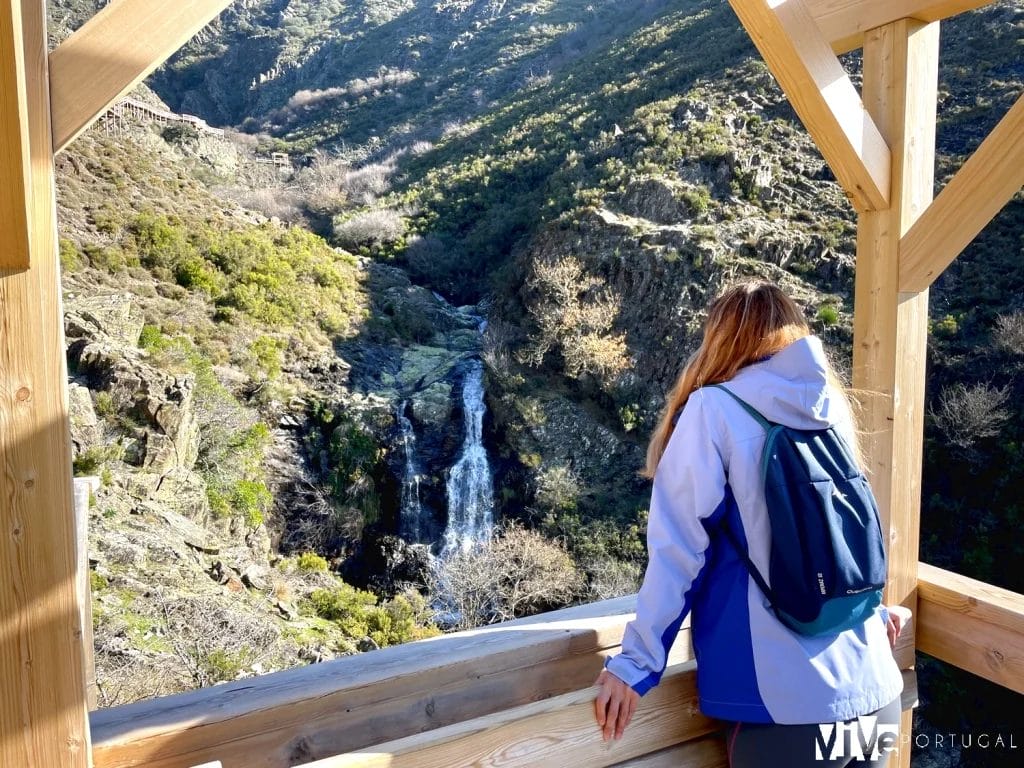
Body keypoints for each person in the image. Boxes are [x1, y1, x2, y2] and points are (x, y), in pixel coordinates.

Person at [593, 281, 905, 767]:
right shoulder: (831, 406)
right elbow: (844, 534)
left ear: (719, 338)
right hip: (876, 694)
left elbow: (679, 552)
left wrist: (635, 666)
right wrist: (876, 611)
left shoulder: (714, 410)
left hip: (786, 709)